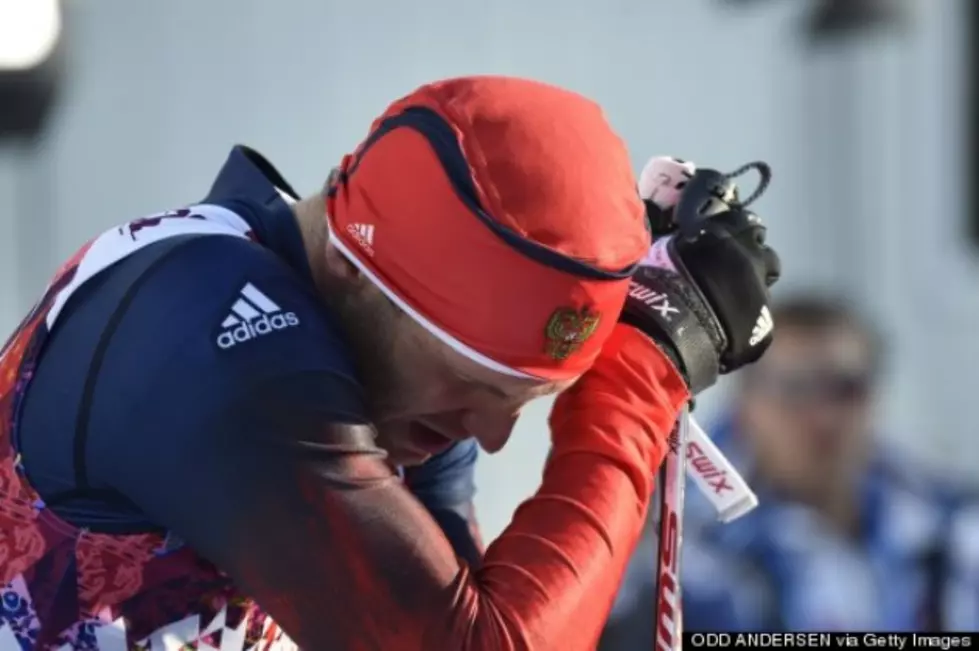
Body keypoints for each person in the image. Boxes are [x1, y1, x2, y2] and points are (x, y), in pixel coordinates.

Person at [0, 75, 780, 650]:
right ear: (351, 271)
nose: (493, 432)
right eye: (474, 385)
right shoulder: (215, 336)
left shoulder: (350, 347)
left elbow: (467, 606)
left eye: (528, 397)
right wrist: (639, 376)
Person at [600, 295, 965, 647]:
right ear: (746, 405)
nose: (823, 417)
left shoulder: (950, 529)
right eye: (794, 390)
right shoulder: (677, 553)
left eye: (844, 389)